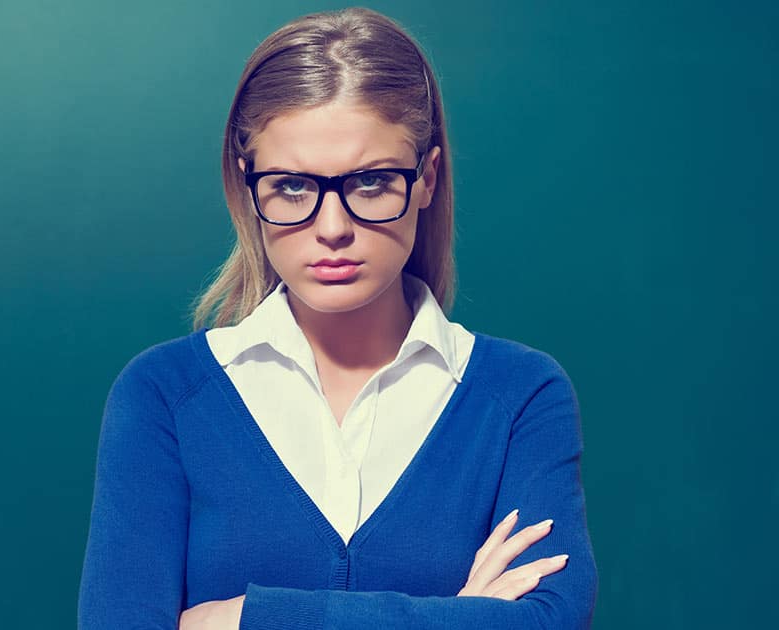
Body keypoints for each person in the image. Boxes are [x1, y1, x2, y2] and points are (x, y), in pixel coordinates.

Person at [78, 7, 597, 629]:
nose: (332, 229)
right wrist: (457, 618)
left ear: (427, 178)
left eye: (373, 182)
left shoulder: (520, 396)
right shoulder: (165, 396)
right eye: (292, 186)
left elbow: (549, 624)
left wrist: (247, 618)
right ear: (249, 185)